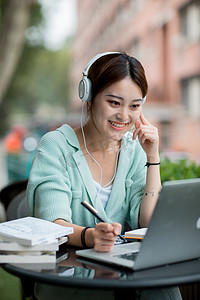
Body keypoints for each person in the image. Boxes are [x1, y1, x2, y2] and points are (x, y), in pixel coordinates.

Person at [27, 52, 182, 300]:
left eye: (134, 106)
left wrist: (153, 157)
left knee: (164, 288)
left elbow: (148, 222)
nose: (124, 116)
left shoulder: (134, 150)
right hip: (71, 282)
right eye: (114, 103)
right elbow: (52, 224)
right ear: (88, 96)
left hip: (124, 283)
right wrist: (90, 237)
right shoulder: (55, 146)